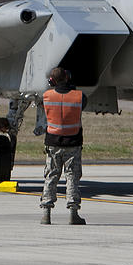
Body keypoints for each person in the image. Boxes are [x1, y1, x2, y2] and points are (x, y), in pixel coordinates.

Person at [39, 67, 87, 225]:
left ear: (51, 81)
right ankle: (73, 212)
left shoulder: (46, 96)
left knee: (51, 175)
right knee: (72, 176)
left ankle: (46, 213)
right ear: (68, 77)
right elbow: (81, 104)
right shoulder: (79, 96)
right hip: (73, 143)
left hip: (53, 143)